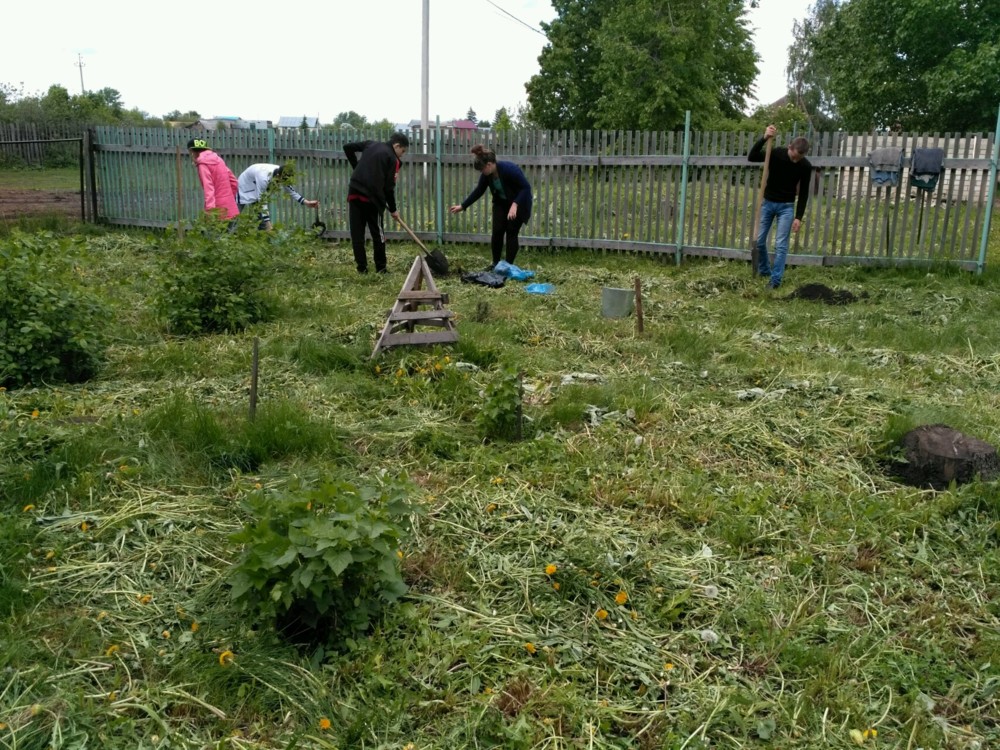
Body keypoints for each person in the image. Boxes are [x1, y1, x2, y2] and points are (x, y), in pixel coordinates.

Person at [747, 125, 811, 289]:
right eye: (794, 156)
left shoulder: (805, 166)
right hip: (768, 203)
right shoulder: (775, 154)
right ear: (790, 147)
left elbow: (804, 193)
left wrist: (798, 217)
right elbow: (752, 157)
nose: (795, 161)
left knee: (781, 245)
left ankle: (775, 281)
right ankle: (764, 270)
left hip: (786, 207)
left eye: (799, 158)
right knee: (759, 241)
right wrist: (764, 138)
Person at [449, 145, 532, 268]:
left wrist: (515, 204)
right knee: (497, 231)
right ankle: (496, 264)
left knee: (511, 232)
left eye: (482, 169)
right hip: (501, 203)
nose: (481, 172)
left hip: (519, 202)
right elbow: (479, 191)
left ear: (489, 165)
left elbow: (526, 188)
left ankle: (508, 266)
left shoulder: (509, 169)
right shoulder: (487, 175)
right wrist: (463, 206)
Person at [344, 132, 409, 274]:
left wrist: (356, 167)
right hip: (372, 199)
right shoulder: (392, 159)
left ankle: (362, 269)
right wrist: (393, 209)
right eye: (403, 151)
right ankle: (381, 268)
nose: (402, 155)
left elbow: (347, 147)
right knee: (378, 234)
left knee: (357, 234)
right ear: (397, 146)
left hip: (354, 192)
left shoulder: (370, 144)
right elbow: (389, 188)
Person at [236, 163, 320, 230]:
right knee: (235, 215)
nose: (282, 183)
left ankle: (261, 241)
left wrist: (306, 202)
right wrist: (268, 223)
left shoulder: (282, 173)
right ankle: (229, 237)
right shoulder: (263, 178)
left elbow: (290, 190)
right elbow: (262, 200)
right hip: (245, 185)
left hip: (256, 185)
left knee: (262, 221)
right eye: (282, 180)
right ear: (278, 176)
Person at [186, 138, 239, 221]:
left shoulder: (203, 165)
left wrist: (210, 212)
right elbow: (234, 181)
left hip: (217, 211)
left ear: (192, 152)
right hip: (231, 208)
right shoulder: (219, 159)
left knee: (216, 230)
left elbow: (209, 189)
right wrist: (229, 199)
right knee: (231, 229)